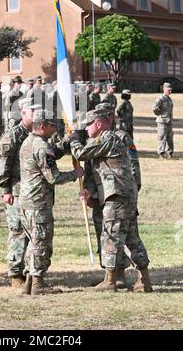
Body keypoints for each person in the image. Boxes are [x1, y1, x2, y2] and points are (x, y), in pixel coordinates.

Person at [69, 109, 152, 292]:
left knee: (111, 236)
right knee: (131, 237)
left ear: (99, 123)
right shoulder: (101, 141)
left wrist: (73, 138)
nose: (86, 129)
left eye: (88, 125)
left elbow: (81, 153)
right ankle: (144, 280)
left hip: (117, 197)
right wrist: (89, 191)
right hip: (120, 195)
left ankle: (110, 281)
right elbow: (98, 172)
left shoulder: (108, 138)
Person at [19, 109, 83, 295]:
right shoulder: (42, 147)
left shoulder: (28, 142)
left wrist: (66, 143)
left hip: (26, 201)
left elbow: (53, 154)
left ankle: (30, 282)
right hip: (39, 202)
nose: (55, 128)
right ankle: (38, 283)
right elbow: (53, 177)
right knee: (41, 242)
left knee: (33, 242)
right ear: (42, 126)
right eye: (52, 125)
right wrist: (74, 174)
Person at [0, 99, 36, 288]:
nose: (35, 115)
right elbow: (2, 164)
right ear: (22, 113)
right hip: (17, 192)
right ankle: (15, 273)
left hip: (32, 192)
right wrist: (6, 190)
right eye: (32, 112)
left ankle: (29, 270)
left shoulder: (36, 135)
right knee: (18, 231)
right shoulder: (12, 135)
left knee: (31, 232)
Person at [153, 82, 174, 159]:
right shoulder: (160, 99)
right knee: (162, 138)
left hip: (169, 122)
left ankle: (170, 154)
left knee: (170, 138)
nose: (170, 91)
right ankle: (161, 154)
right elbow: (154, 108)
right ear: (164, 89)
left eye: (170, 90)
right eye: (168, 90)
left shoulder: (169, 99)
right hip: (162, 122)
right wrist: (160, 114)